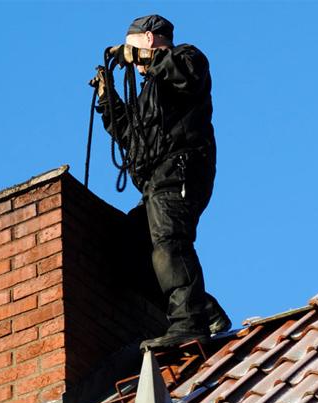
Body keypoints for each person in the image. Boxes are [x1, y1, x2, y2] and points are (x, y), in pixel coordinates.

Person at [94, 14, 231, 351]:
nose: (130, 60)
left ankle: (189, 324)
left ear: (150, 39)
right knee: (130, 252)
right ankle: (204, 310)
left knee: (170, 241)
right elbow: (133, 137)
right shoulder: (149, 92)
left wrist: (139, 57)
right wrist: (107, 99)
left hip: (180, 170)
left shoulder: (188, 58)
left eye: (133, 47)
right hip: (155, 181)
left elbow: (184, 75)